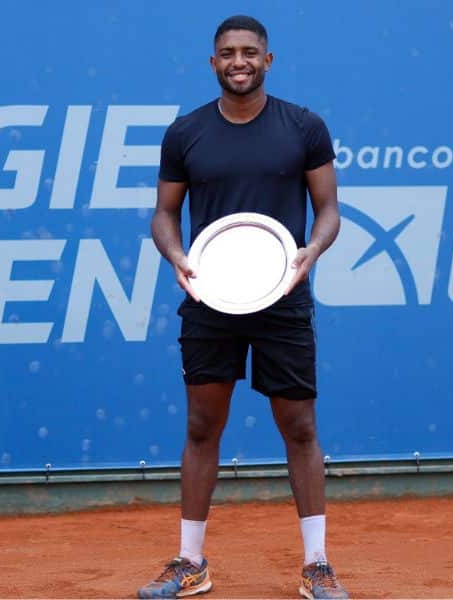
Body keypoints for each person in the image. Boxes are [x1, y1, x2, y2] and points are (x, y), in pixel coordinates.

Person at [139, 14, 349, 600]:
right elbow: (164, 214)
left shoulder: (304, 126)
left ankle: (317, 567)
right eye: (228, 52)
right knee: (203, 427)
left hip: (282, 295)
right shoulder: (185, 134)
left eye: (250, 52)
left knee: (300, 427)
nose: (239, 61)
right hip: (210, 298)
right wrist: (177, 255)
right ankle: (190, 563)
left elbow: (328, 208)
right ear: (213, 63)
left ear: (268, 60)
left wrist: (312, 248)